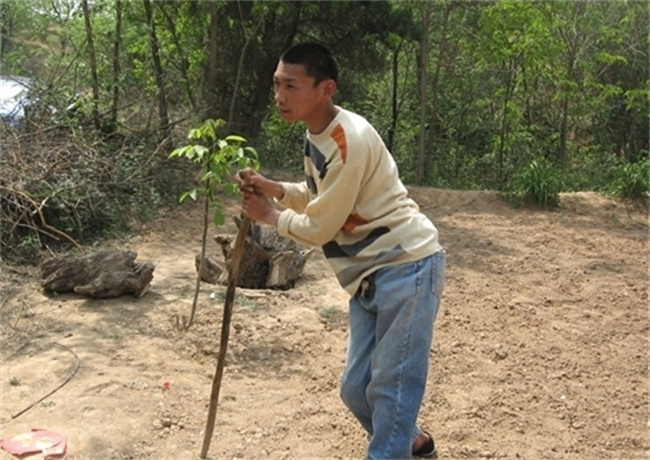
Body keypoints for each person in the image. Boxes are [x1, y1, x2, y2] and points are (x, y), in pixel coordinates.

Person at [237, 42, 445, 460]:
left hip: (406, 266)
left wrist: (270, 215)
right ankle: (413, 444)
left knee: (391, 386)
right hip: (368, 276)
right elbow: (321, 195)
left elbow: (320, 226)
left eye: (291, 86)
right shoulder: (318, 135)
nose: (280, 96)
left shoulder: (347, 141)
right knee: (356, 390)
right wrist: (276, 190)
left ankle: (393, 450)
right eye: (277, 84)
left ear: (326, 88)